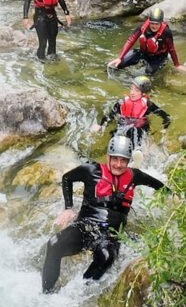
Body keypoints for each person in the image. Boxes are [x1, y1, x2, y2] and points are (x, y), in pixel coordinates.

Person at [40, 133, 167, 293]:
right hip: (85, 226)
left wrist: (177, 198)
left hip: (110, 234)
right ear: (108, 157)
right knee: (53, 244)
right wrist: (68, 208)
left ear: (128, 161)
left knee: (106, 256)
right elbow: (67, 178)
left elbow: (161, 187)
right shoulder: (91, 169)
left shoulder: (135, 176)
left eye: (123, 160)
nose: (119, 164)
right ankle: (46, 293)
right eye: (115, 159)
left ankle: (76, 295)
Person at [100, 74, 171, 147]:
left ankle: (137, 151)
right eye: (131, 89)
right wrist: (100, 125)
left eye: (136, 90)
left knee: (135, 130)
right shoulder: (121, 103)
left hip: (138, 130)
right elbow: (110, 115)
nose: (132, 93)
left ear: (143, 94)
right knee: (115, 133)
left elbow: (166, 117)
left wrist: (164, 129)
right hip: (123, 127)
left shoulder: (148, 105)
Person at [108, 6, 180, 74]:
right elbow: (131, 40)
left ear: (161, 23)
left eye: (156, 24)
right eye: (152, 23)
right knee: (117, 65)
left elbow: (171, 49)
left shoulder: (166, 32)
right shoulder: (143, 27)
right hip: (143, 52)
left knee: (148, 72)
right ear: (149, 21)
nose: (154, 26)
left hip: (158, 57)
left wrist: (177, 65)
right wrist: (120, 58)